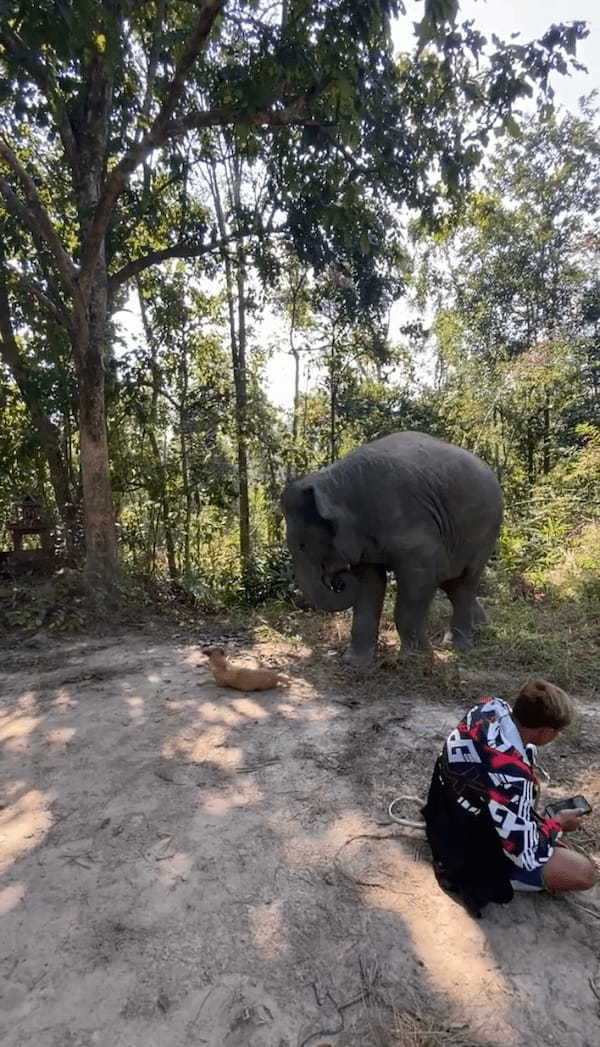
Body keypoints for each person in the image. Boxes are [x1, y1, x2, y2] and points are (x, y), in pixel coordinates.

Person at [423, 679, 598, 916]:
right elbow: (526, 853)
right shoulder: (512, 775)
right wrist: (556, 825)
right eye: (557, 731)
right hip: (464, 845)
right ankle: (501, 877)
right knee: (584, 873)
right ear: (546, 731)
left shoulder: (488, 707)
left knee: (530, 786)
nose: (557, 735)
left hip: (443, 808)